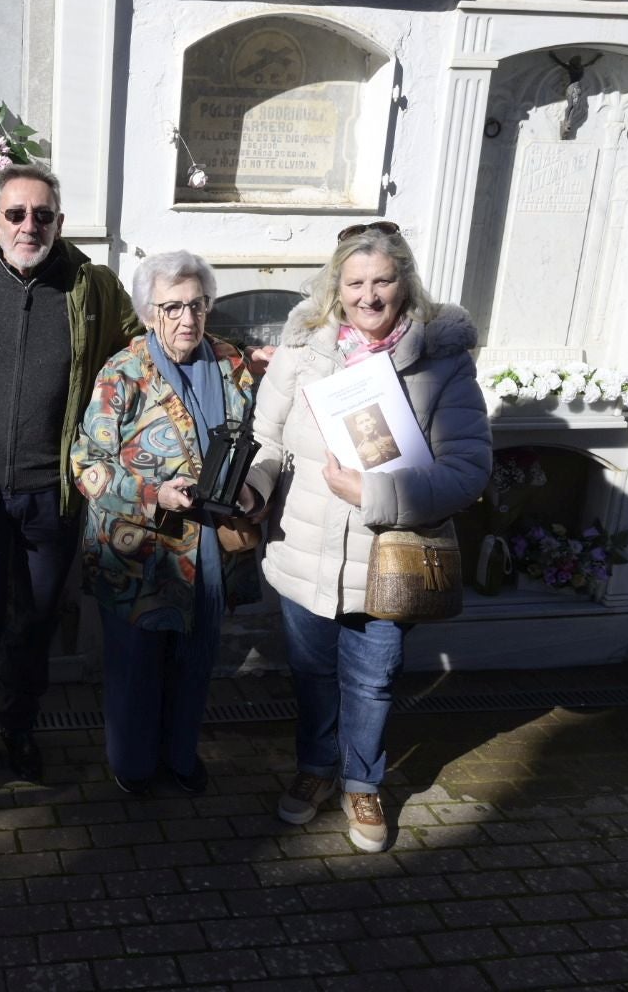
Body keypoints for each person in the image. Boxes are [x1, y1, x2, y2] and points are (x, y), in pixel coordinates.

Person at [244, 221, 491, 853]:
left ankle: (362, 782)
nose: (369, 296)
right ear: (337, 286)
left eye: (382, 281)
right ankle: (315, 767)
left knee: (373, 679)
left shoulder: (441, 361)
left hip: (387, 559)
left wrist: (373, 495)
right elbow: (266, 439)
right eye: (355, 283)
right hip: (304, 550)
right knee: (311, 675)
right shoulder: (304, 350)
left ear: (405, 283)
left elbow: (468, 471)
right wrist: (252, 487)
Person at [0, 163, 143, 793]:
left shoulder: (92, 287)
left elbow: (145, 350)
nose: (30, 226)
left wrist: (224, 353)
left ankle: (19, 727)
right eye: (16, 214)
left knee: (36, 622)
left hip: (53, 494)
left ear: (59, 222)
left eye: (42, 215)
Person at [70, 251, 261, 796]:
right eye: (171, 307)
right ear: (148, 312)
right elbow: (86, 465)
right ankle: (133, 765)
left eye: (197, 305)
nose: (187, 318)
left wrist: (252, 485)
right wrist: (153, 494)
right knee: (137, 666)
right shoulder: (123, 372)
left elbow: (259, 432)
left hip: (210, 547)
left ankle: (180, 755)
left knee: (196, 659)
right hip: (141, 552)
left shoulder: (229, 362)